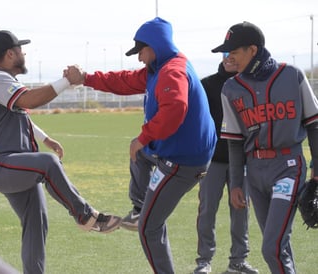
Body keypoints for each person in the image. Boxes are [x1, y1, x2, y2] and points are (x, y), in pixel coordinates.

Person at [65, 17, 217, 274]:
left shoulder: (172, 70)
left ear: (156, 46)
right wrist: (86, 78)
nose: (139, 58)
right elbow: (123, 81)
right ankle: (139, 209)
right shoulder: (158, 68)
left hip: (183, 161)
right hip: (177, 153)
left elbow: (175, 109)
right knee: (140, 156)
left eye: (141, 51)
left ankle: (142, 217)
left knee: (149, 228)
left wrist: (143, 137)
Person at [0, 30, 122, 274]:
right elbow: (29, 101)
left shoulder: (2, 80)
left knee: (36, 223)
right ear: (10, 54)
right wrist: (66, 81)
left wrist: (45, 138)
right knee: (48, 164)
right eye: (20, 50)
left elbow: (19, 113)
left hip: (14, 163)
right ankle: (86, 217)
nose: (24, 53)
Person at [212, 21, 318, 274]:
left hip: (288, 166)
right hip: (255, 173)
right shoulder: (231, 88)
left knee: (271, 247)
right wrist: (237, 183)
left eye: (234, 52)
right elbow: (235, 141)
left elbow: (314, 124)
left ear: (252, 49)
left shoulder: (292, 75)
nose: (230, 58)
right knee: (278, 245)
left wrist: (317, 167)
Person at [193, 57, 258, 274]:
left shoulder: (250, 85)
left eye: (234, 54)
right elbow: (196, 120)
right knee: (207, 210)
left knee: (241, 210)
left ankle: (238, 261)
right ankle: (204, 261)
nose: (230, 59)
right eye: (226, 55)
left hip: (242, 161)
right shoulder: (207, 84)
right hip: (213, 160)